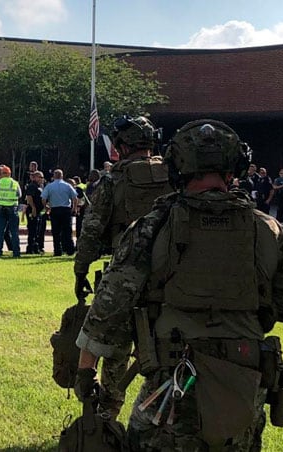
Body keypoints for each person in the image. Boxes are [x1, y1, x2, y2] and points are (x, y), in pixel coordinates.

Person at [74, 119, 283, 451]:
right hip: (242, 385)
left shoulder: (151, 229)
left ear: (177, 167)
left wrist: (86, 371)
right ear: (235, 169)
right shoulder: (268, 230)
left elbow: (108, 310)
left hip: (172, 383)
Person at [73, 115, 174, 418]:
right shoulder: (174, 175)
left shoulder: (114, 179)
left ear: (121, 145)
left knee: (115, 347)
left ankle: (107, 416)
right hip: (171, 276)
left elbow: (92, 230)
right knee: (168, 348)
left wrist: (80, 270)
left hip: (125, 273)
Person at [40, 169, 77, 256]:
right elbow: (75, 197)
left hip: (55, 210)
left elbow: (43, 199)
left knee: (56, 232)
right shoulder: (67, 185)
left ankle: (57, 250)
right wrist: (74, 208)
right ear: (62, 176)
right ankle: (70, 250)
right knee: (67, 231)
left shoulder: (50, 186)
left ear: (54, 176)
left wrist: (46, 207)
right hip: (65, 210)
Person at [0, 165, 22, 257]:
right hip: (12, 208)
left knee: (0, 231)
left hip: (0, 208)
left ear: (1, 173)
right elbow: (19, 195)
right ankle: (16, 252)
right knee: (14, 231)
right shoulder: (14, 183)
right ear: (9, 173)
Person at [24, 170, 46, 254]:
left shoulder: (39, 186)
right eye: (41, 177)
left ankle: (36, 247)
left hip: (38, 211)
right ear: (36, 177)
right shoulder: (32, 186)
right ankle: (30, 248)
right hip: (33, 210)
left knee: (37, 230)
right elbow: (29, 197)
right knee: (32, 229)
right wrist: (33, 208)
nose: (42, 179)